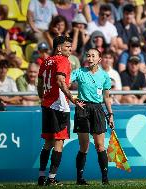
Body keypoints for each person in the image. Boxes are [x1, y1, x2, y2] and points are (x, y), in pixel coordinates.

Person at [36, 36, 83, 186]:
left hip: (47, 104)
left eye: (70, 46)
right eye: (67, 46)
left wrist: (42, 97)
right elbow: (60, 81)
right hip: (59, 105)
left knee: (48, 142)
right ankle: (51, 178)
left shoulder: (46, 61)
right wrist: (73, 98)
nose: (70, 49)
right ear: (58, 48)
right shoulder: (63, 61)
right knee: (59, 141)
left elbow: (40, 83)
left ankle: (41, 176)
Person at [71, 48, 114, 185]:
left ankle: (105, 179)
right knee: (84, 147)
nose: (89, 58)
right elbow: (64, 82)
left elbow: (106, 98)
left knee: (100, 146)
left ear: (99, 59)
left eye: (93, 56)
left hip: (97, 110)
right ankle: (79, 179)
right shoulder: (79, 72)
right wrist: (73, 99)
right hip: (82, 109)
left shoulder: (105, 76)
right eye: (88, 55)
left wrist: (110, 114)